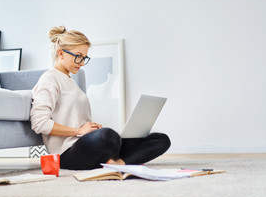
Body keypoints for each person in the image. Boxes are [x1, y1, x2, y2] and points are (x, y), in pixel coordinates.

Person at [30, 26, 171, 170]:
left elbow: (77, 122)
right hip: (66, 153)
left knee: (161, 140)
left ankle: (119, 164)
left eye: (84, 58)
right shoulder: (49, 78)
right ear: (61, 53)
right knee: (109, 136)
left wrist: (91, 129)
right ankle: (125, 160)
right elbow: (39, 123)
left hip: (86, 145)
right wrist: (79, 131)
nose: (82, 63)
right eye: (78, 56)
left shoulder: (71, 81)